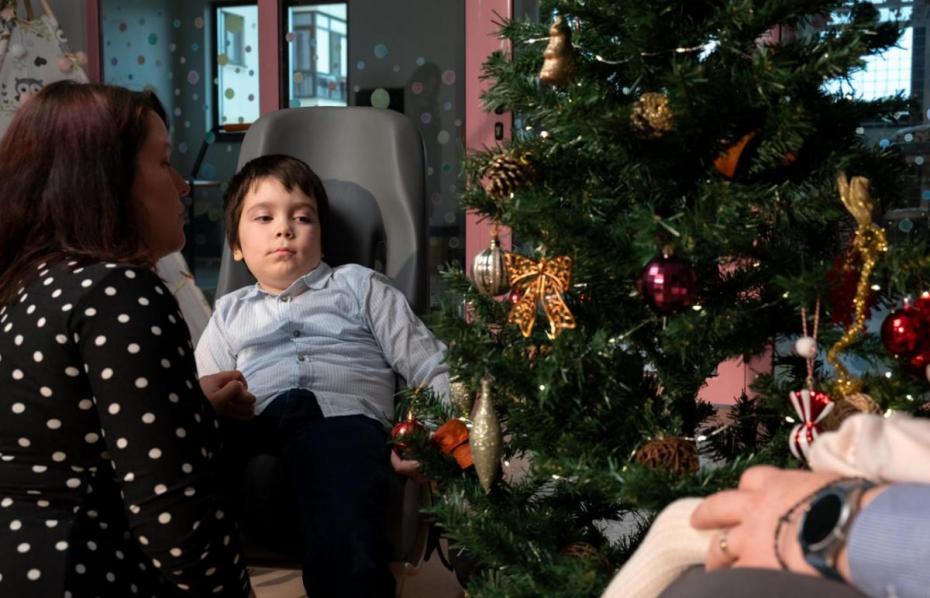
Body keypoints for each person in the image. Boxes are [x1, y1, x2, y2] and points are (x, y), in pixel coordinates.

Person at [0, 80, 253, 596]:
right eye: (164, 162)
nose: (182, 185)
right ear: (104, 180)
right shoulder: (119, 294)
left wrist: (182, 407)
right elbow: (175, 519)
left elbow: (62, 434)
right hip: (79, 570)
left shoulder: (24, 285)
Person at [195, 154, 451, 597]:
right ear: (236, 245)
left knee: (341, 485)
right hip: (256, 423)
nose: (284, 229)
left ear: (323, 238)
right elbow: (197, 399)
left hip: (343, 424)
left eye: (302, 217)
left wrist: (424, 436)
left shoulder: (360, 286)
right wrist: (216, 405)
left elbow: (431, 365)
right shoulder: (228, 313)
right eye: (264, 217)